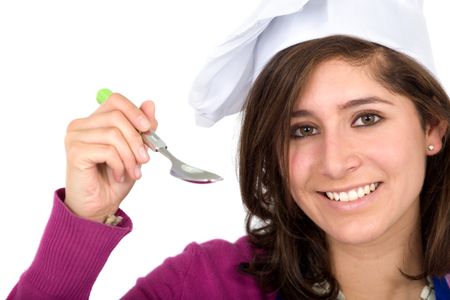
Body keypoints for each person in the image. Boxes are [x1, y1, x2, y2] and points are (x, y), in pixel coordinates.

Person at [7, 1, 450, 300]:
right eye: (302, 129)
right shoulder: (204, 285)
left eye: (366, 119)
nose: (335, 162)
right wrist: (84, 220)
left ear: (432, 126)